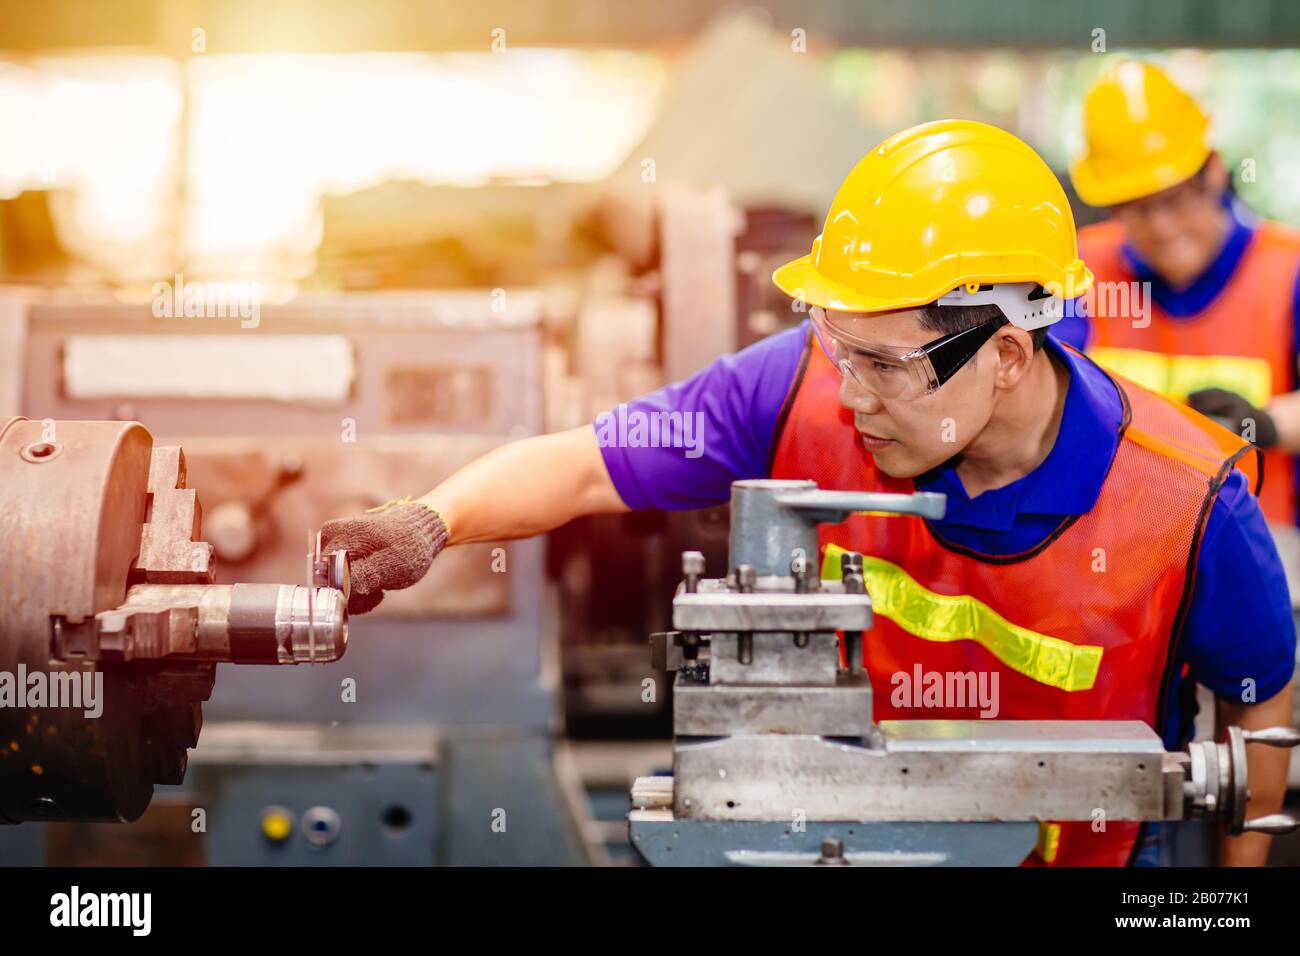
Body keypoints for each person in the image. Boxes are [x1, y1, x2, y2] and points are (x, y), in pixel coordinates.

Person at [322, 120, 1295, 866]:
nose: (849, 390)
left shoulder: (1189, 499)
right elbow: (583, 462)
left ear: (1003, 353)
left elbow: (1259, 707)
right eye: (837, 347)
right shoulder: (795, 386)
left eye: (879, 363)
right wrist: (431, 517)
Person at [1072, 59, 1300, 526]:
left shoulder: (1287, 270)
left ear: (1213, 171)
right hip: (1116, 566)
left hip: (1259, 557)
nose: (1162, 227)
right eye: (1135, 208)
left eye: (1175, 199)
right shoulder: (1081, 270)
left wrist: (1266, 422)